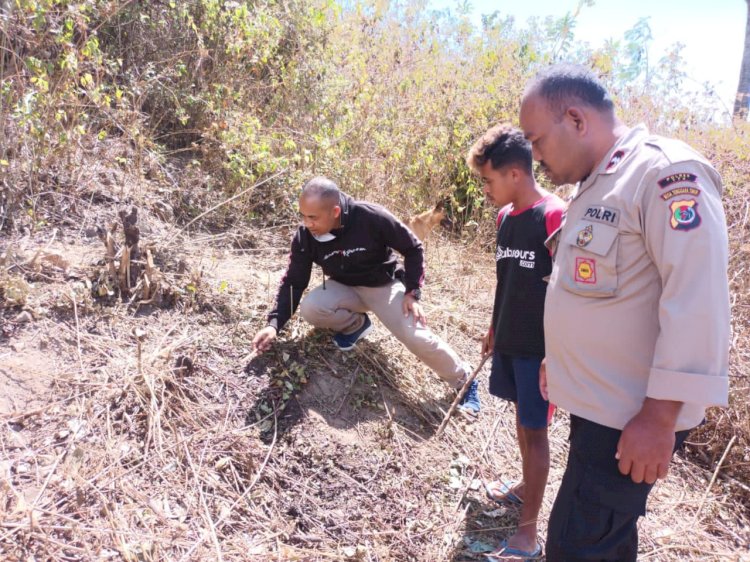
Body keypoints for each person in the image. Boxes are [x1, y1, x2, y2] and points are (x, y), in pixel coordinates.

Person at [519, 63, 729, 561]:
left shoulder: (664, 173)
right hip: (600, 410)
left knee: (576, 548)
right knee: (599, 543)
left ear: (575, 119)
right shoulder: (598, 183)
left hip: (632, 420)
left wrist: (660, 415)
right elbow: (590, 289)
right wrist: (562, 359)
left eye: (536, 140)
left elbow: (698, 299)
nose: (534, 156)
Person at [251, 176, 480, 414]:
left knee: (415, 335)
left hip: (383, 287)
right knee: (312, 308)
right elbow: (293, 281)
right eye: (303, 216)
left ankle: (464, 379)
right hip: (344, 288)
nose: (307, 223)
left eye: (313, 217)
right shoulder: (305, 237)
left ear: (335, 211)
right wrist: (274, 324)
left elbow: (413, 248)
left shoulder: (370, 217)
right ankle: (355, 325)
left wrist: (412, 291)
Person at [466, 124, 564, 561]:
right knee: (521, 421)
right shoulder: (505, 218)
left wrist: (558, 355)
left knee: (537, 430)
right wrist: (493, 327)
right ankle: (525, 487)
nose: (485, 189)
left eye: (488, 180)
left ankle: (528, 534)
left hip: (541, 352)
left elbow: (570, 292)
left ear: (516, 175)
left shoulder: (554, 215)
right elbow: (506, 280)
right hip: (509, 339)